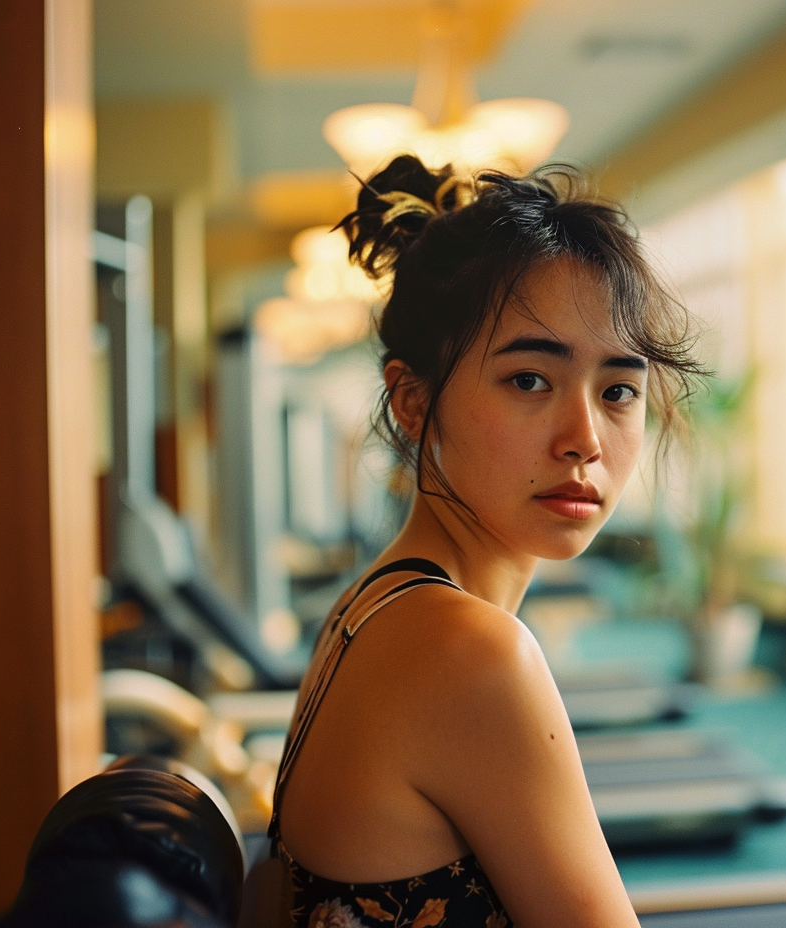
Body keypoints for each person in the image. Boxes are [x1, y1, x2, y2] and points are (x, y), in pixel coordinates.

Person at [269, 155, 703, 928]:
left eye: (618, 391)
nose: (585, 440)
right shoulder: (468, 650)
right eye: (530, 380)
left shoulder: (375, 604)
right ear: (412, 399)